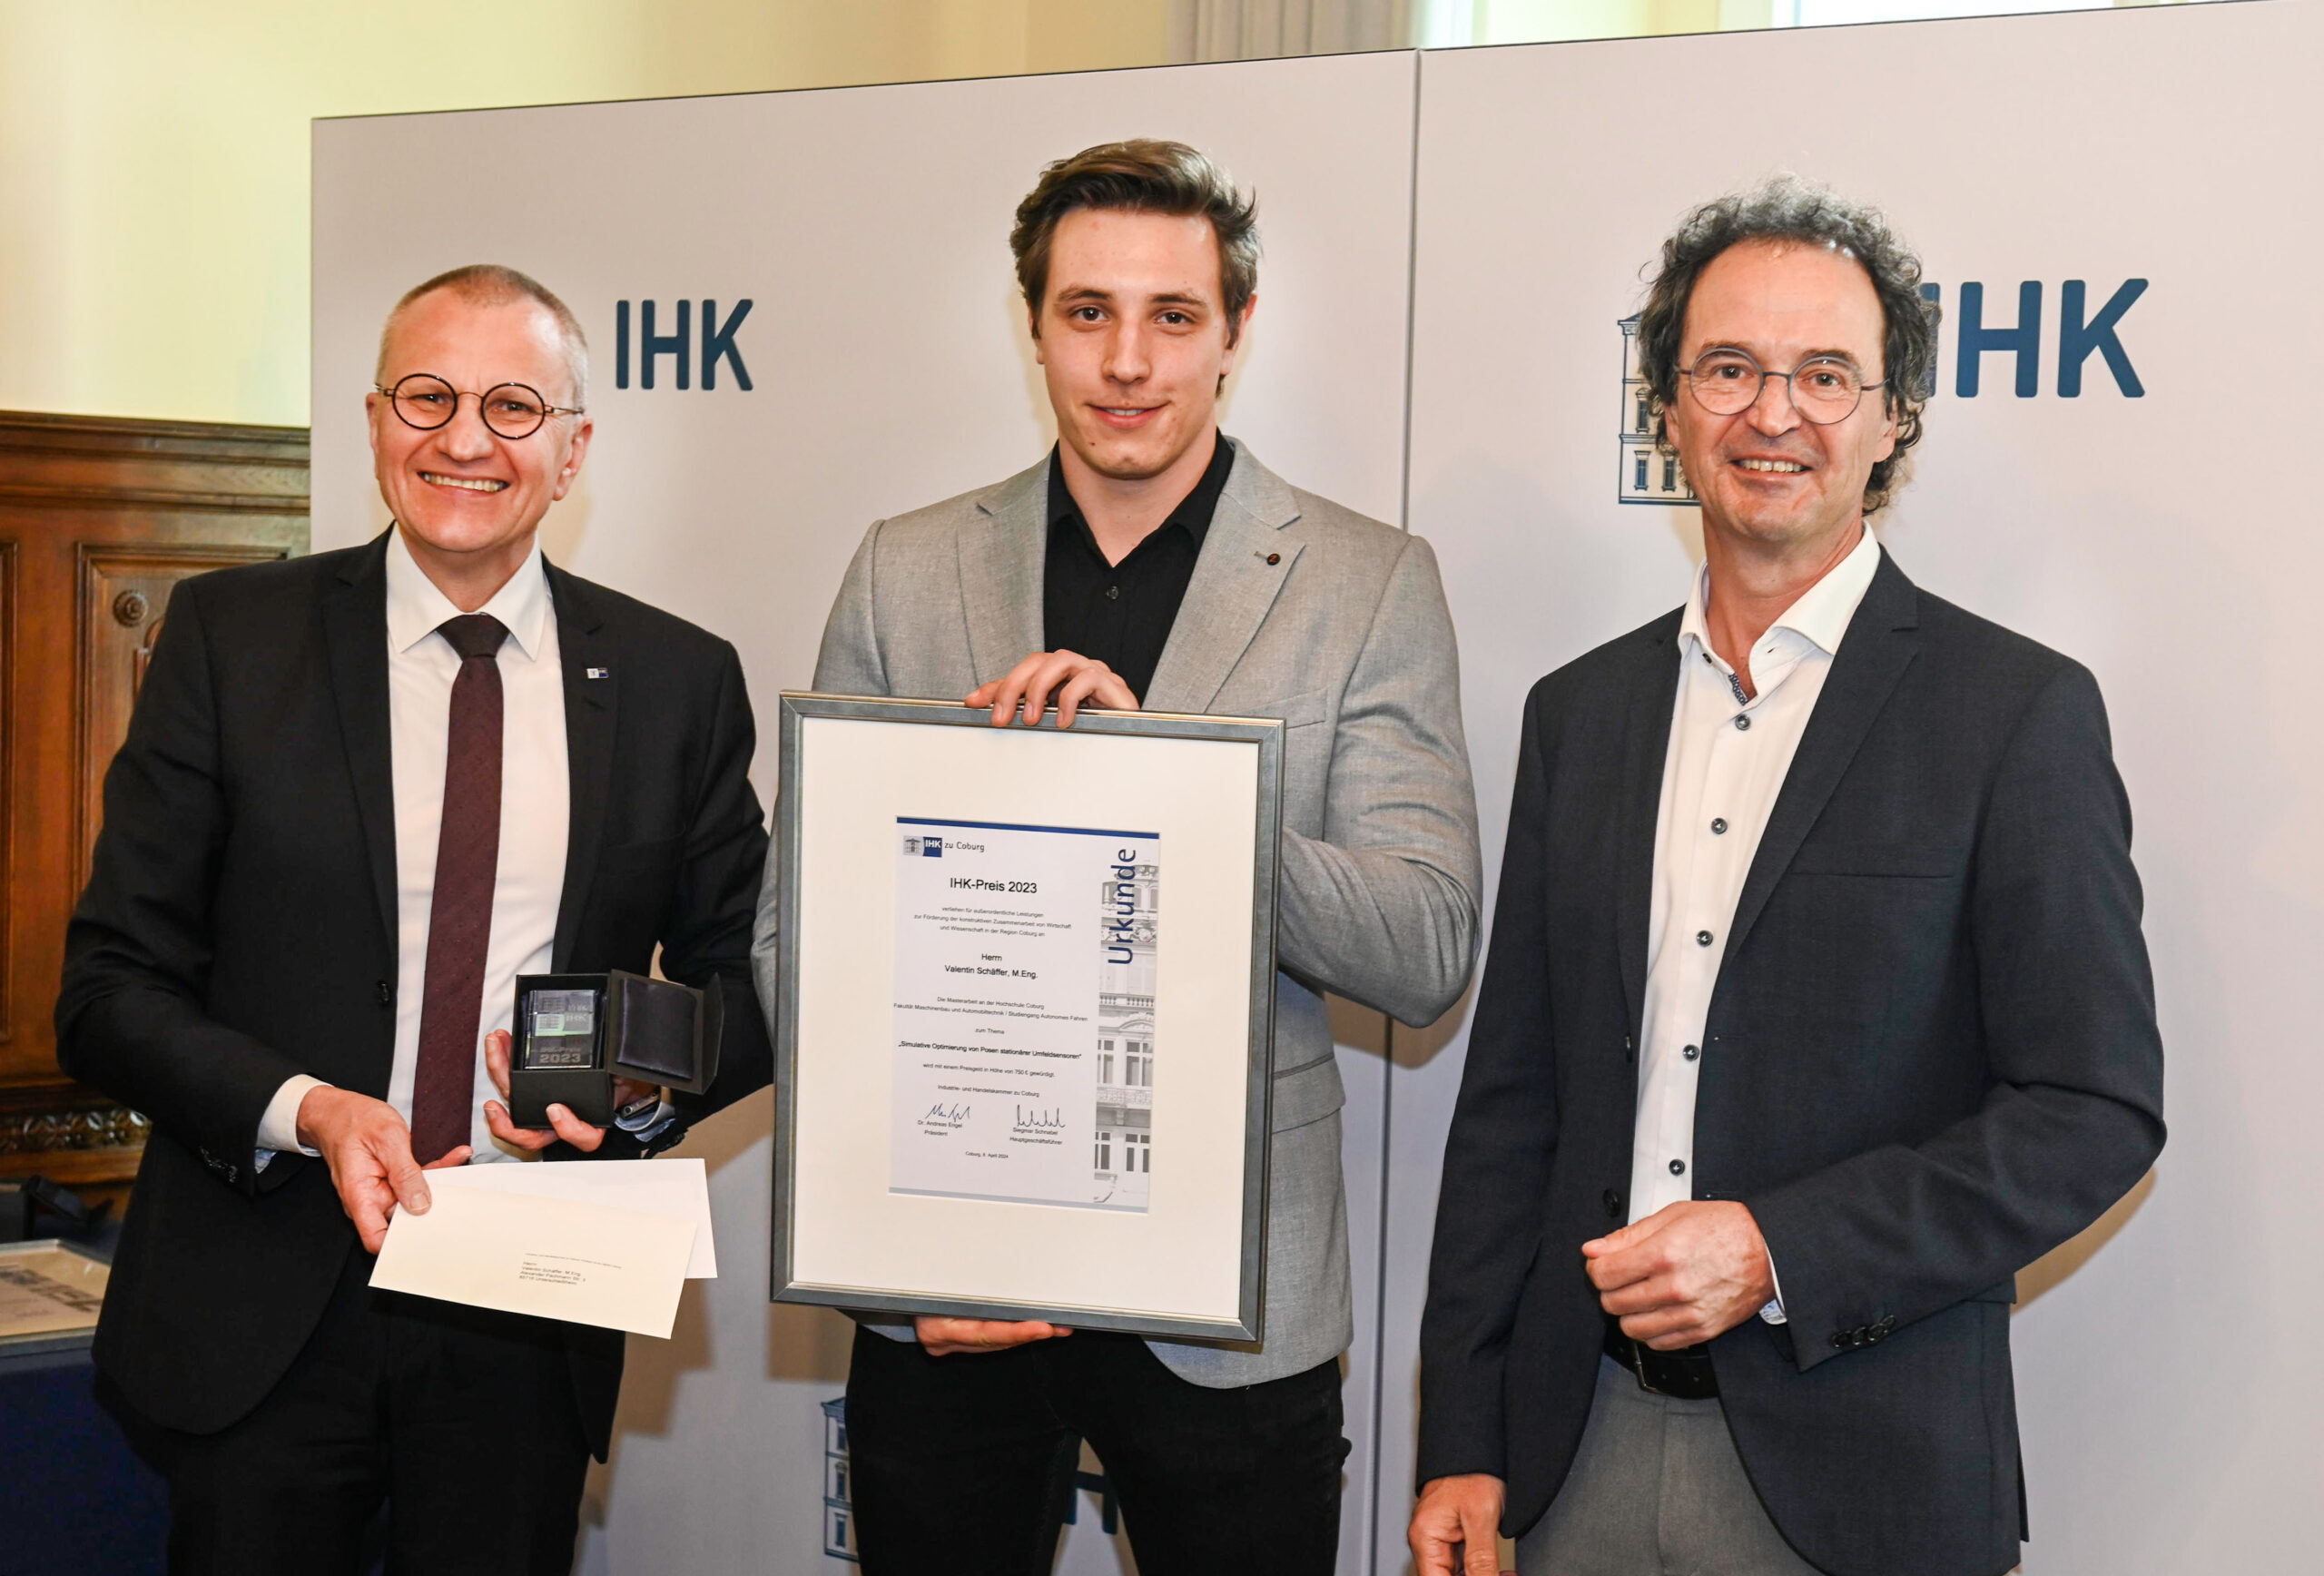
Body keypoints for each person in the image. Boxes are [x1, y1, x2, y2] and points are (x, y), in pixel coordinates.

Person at [1411, 180, 2166, 1576]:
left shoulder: (2014, 712)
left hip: (1858, 1466)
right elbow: (1512, 1104)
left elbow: (2093, 1110)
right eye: (1730, 370)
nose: (1775, 414)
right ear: (1667, 407)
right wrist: (1462, 1431)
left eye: (1827, 375)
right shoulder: (1579, 714)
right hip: (1570, 1457)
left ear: (1895, 422)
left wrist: (1781, 1250)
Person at [758, 139, 1482, 1575]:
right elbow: (799, 945)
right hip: (952, 1292)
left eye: (1172, 316)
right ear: (1032, 327)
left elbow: (1424, 944)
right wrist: (900, 1272)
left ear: (1236, 332)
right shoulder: (907, 566)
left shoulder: (1367, 578)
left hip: (1232, 1306)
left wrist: (1184, 802)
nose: (1129, 360)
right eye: (1088, 312)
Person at [58, 264, 775, 1575]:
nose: (463, 439)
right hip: (260, 1291)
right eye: (428, 396)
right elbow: (110, 988)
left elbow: (750, 982)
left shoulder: (677, 678)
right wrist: (307, 1108)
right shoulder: (232, 637)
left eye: (512, 408)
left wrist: (632, 1089)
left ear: (572, 452)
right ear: (379, 421)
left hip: (527, 1298)